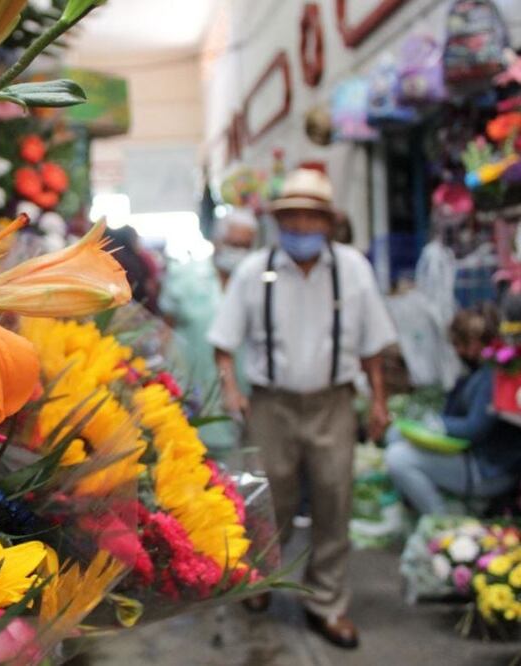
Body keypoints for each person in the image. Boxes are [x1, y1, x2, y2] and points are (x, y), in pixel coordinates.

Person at [208, 167, 397, 650]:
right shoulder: (254, 271)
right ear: (279, 220)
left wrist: (378, 400)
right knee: (272, 501)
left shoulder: (353, 268)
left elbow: (374, 345)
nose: (301, 227)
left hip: (334, 403)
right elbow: (223, 343)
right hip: (272, 405)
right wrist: (232, 390)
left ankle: (326, 603)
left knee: (335, 499)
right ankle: (260, 578)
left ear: (328, 223)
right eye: (291, 217)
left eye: (310, 218)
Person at [385, 307, 521, 514]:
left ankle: (442, 520)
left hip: (487, 470)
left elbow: (475, 428)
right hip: (469, 458)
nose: (456, 351)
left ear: (474, 344)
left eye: (458, 344)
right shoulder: (475, 372)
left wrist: (439, 425)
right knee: (395, 435)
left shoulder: (493, 375)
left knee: (398, 458)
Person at [159, 208, 257, 451]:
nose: (238, 252)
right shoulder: (184, 278)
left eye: (246, 246)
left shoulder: (256, 284)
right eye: (233, 243)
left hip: (242, 400)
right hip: (192, 394)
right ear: (217, 241)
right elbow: (165, 332)